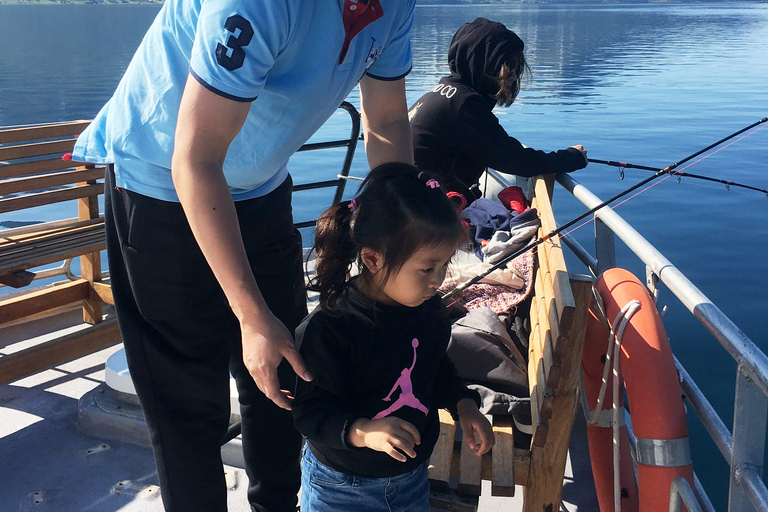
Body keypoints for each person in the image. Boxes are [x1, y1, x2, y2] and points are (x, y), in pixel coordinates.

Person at [70, 0, 417, 510]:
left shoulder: (396, 5)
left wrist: (402, 240)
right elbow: (196, 159)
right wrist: (252, 318)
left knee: (286, 378)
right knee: (189, 407)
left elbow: (386, 117)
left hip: (260, 187)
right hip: (160, 184)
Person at [292, 162, 495, 512]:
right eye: (426, 268)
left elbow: (434, 366)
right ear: (372, 258)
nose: (438, 280)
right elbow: (310, 413)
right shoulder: (329, 327)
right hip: (341, 486)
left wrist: (463, 403)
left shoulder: (428, 308)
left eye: (444, 264)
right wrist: (364, 431)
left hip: (411, 477)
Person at [408, 17, 588, 204]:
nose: (513, 78)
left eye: (516, 69)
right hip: (426, 210)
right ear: (484, 65)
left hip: (414, 199)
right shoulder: (464, 105)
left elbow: (500, 149)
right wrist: (572, 157)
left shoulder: (443, 94)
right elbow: (517, 160)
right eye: (508, 68)